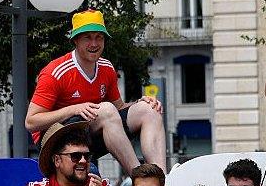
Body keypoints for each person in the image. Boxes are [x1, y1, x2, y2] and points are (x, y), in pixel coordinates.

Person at [24, 9, 168, 172]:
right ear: (76, 41)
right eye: (87, 38)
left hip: (89, 132)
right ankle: (139, 177)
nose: (94, 44)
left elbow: (119, 109)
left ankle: (161, 179)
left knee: (149, 110)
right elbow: (31, 122)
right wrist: (73, 109)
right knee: (105, 110)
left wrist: (139, 102)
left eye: (99, 37)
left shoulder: (107, 68)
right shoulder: (56, 72)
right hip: (55, 142)